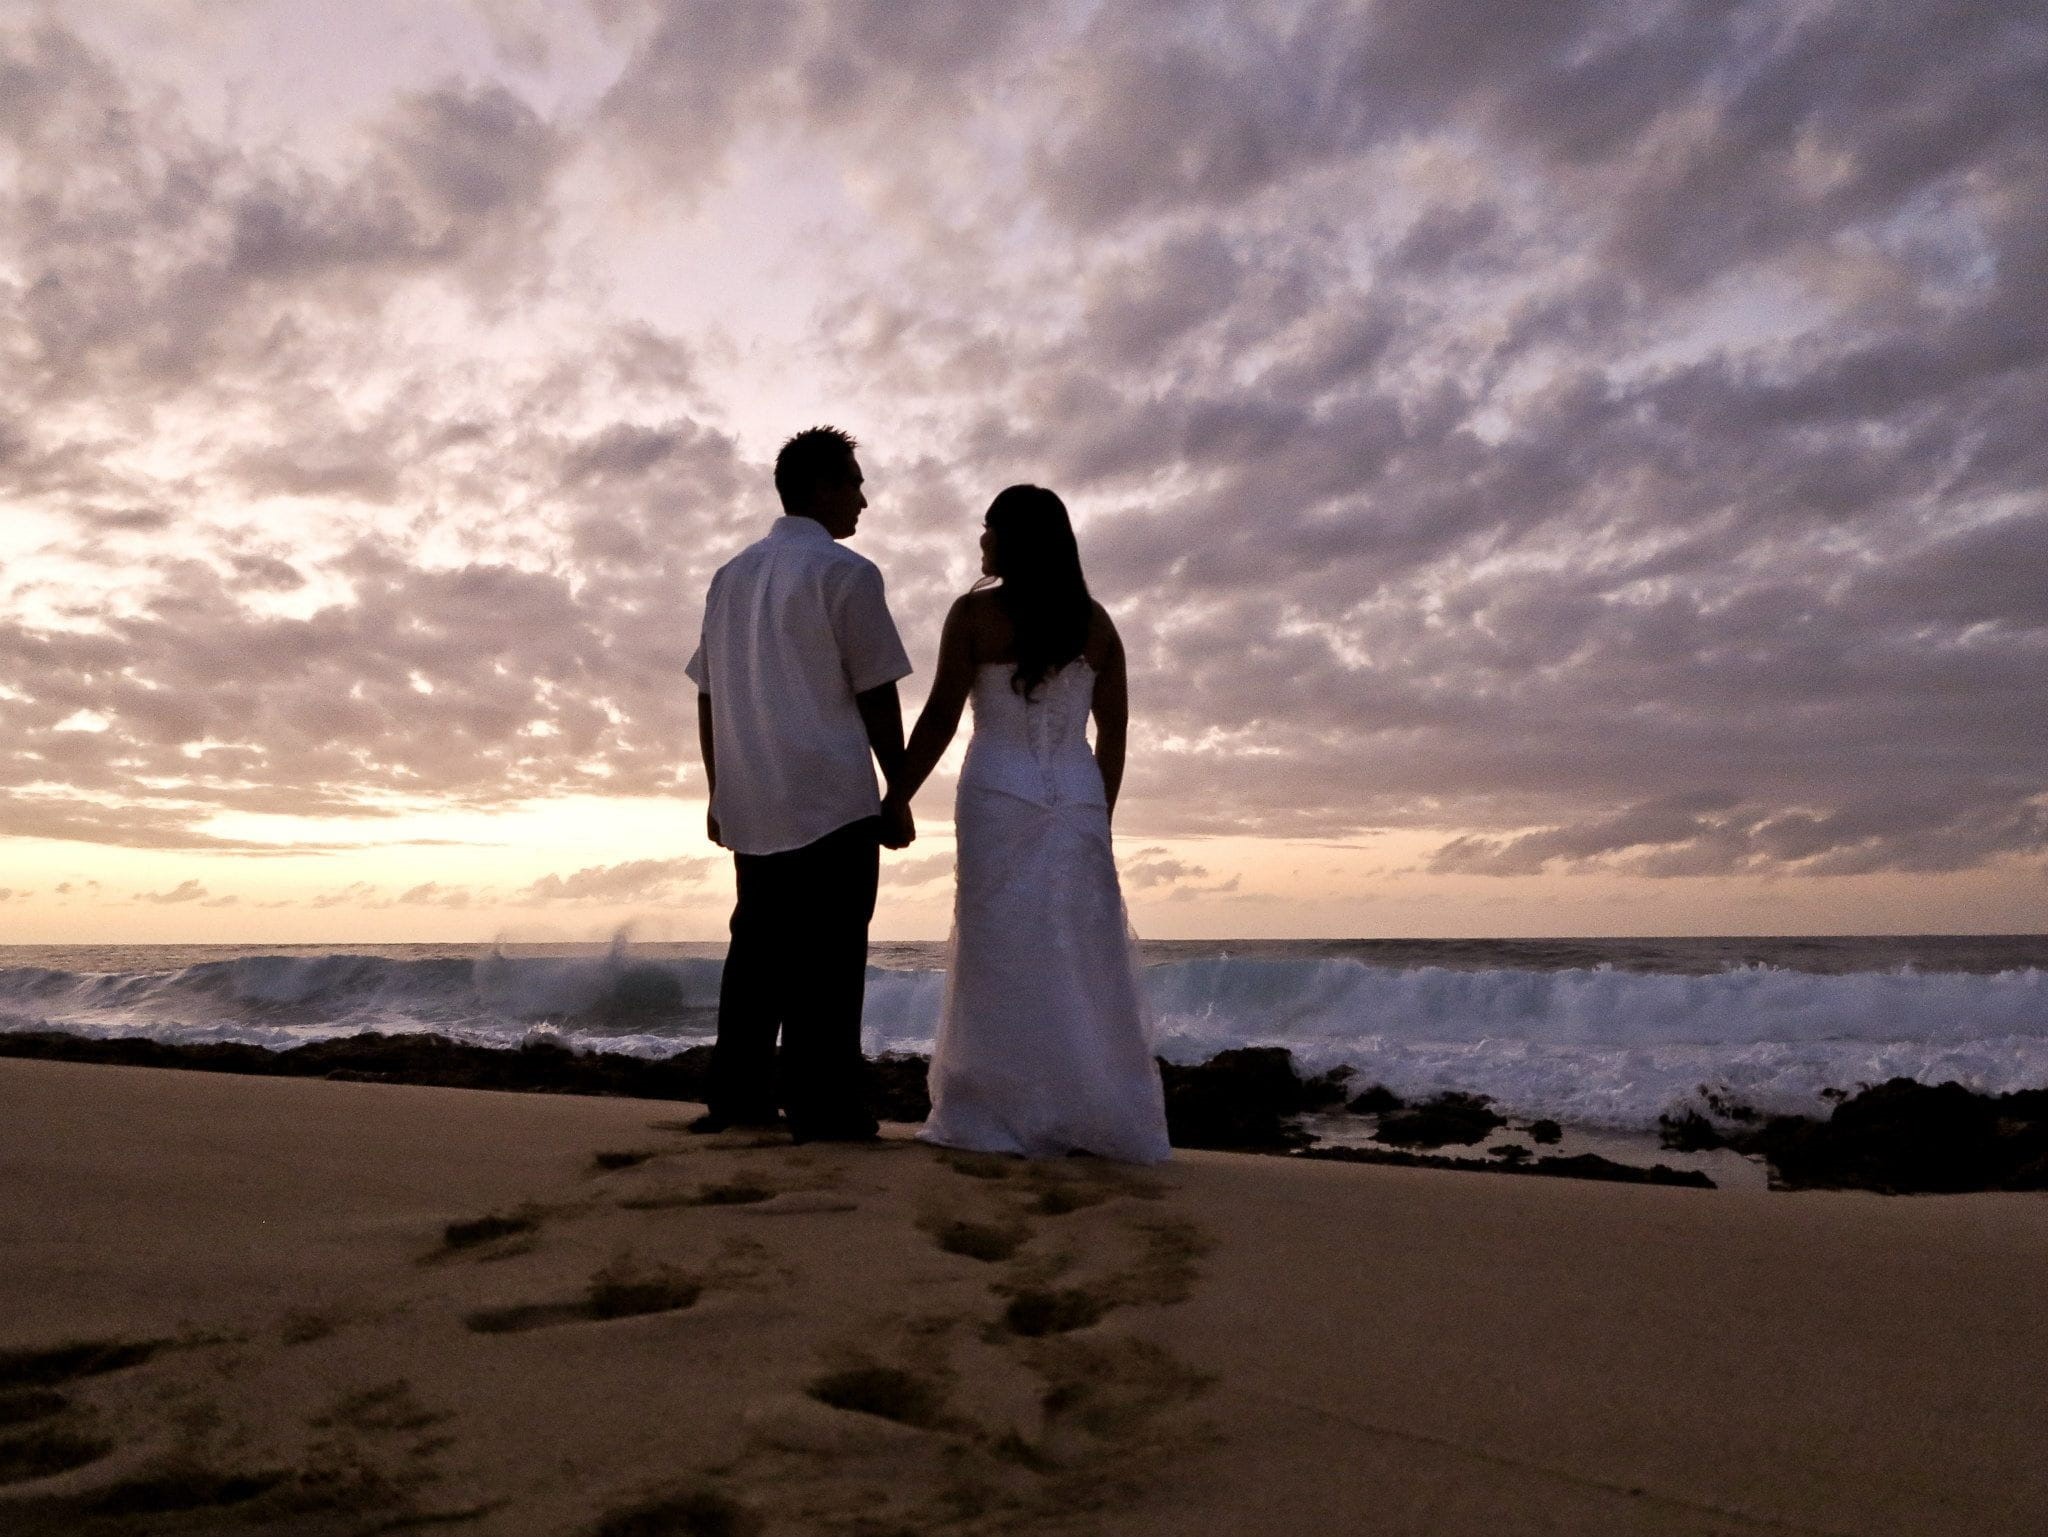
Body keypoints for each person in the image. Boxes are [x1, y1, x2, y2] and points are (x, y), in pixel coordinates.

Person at [897, 485, 1170, 1162]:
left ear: (1015, 541)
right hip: (1077, 798)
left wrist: (894, 795)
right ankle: (1087, 1106)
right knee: (1079, 949)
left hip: (997, 792)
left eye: (990, 529)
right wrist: (1097, 815)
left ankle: (997, 1111)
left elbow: (940, 715)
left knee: (999, 950)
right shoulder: (1097, 624)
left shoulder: (973, 615)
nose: (982, 540)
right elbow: (1113, 733)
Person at [684, 426, 915, 1142]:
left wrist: (718, 789)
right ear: (821, 488)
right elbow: (876, 690)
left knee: (756, 954)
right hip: (829, 795)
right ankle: (825, 1108)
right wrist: (899, 789)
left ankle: (738, 1097)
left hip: (754, 797)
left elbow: (707, 696)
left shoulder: (730, 577)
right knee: (831, 959)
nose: (864, 500)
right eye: (854, 483)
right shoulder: (847, 573)